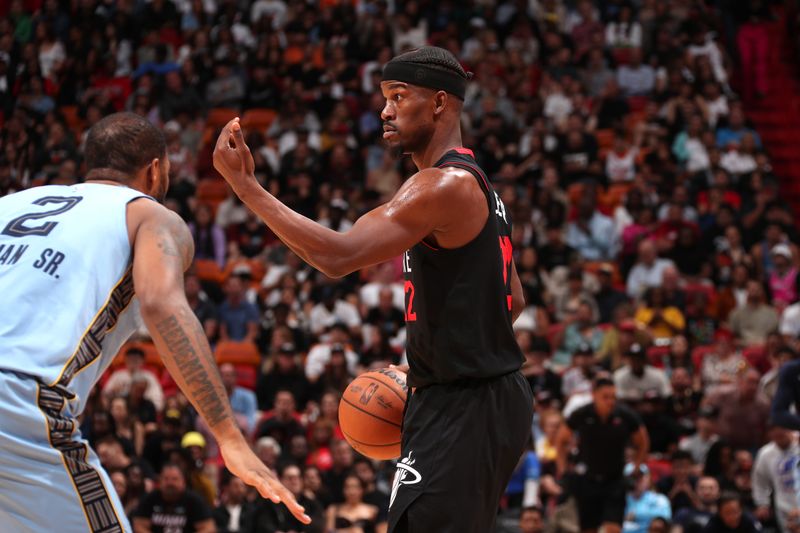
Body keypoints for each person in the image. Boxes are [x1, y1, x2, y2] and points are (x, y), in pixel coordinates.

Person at [212, 46, 533, 533]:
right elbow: (515, 299)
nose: (384, 109)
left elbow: (337, 256)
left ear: (440, 103)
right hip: (471, 397)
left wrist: (247, 189)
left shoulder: (442, 186)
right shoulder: (480, 187)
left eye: (399, 96)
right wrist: (432, 358)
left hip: (466, 404)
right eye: (384, 97)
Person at [0, 112, 308, 531]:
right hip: (17, 402)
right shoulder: (150, 215)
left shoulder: (12, 203)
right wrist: (230, 437)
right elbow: (161, 305)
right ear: (155, 169)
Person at [556, 377, 650, 533]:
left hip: (615, 480)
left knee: (613, 528)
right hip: (587, 479)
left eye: (613, 397)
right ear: (594, 395)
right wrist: (563, 470)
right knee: (588, 529)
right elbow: (561, 441)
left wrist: (636, 468)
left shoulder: (625, 415)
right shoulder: (582, 414)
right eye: (605, 397)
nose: (610, 401)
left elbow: (643, 442)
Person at [132, 463, 215, 533]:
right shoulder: (149, 499)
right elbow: (139, 525)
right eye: (166, 479)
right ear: (160, 482)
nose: (170, 483)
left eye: (174, 479)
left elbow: (208, 528)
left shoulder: (194, 500)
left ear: (183, 482)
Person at [751, 424, 800, 532]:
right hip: (784, 506)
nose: (778, 434)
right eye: (774, 432)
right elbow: (760, 482)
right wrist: (762, 503)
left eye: (782, 431)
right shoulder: (765, 453)